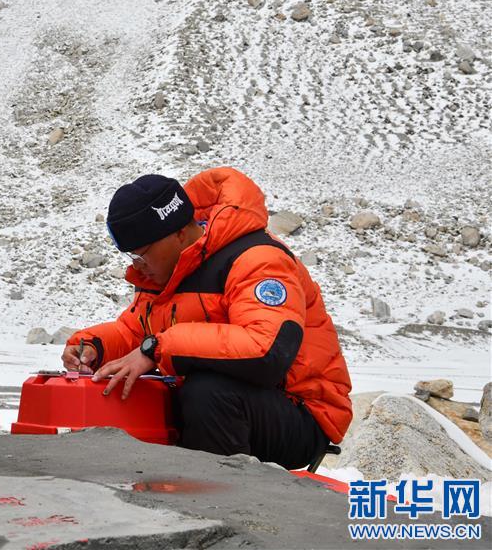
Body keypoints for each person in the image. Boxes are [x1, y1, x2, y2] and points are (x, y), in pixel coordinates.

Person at [62, 168, 353, 469]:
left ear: (178, 233)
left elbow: (267, 351)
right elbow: (134, 333)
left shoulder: (257, 259)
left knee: (206, 392)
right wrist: (93, 347)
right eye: (131, 257)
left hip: (301, 413)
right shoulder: (167, 272)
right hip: (233, 405)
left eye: (142, 254)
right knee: (134, 390)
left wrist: (157, 349)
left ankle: (222, 506)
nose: (138, 266)